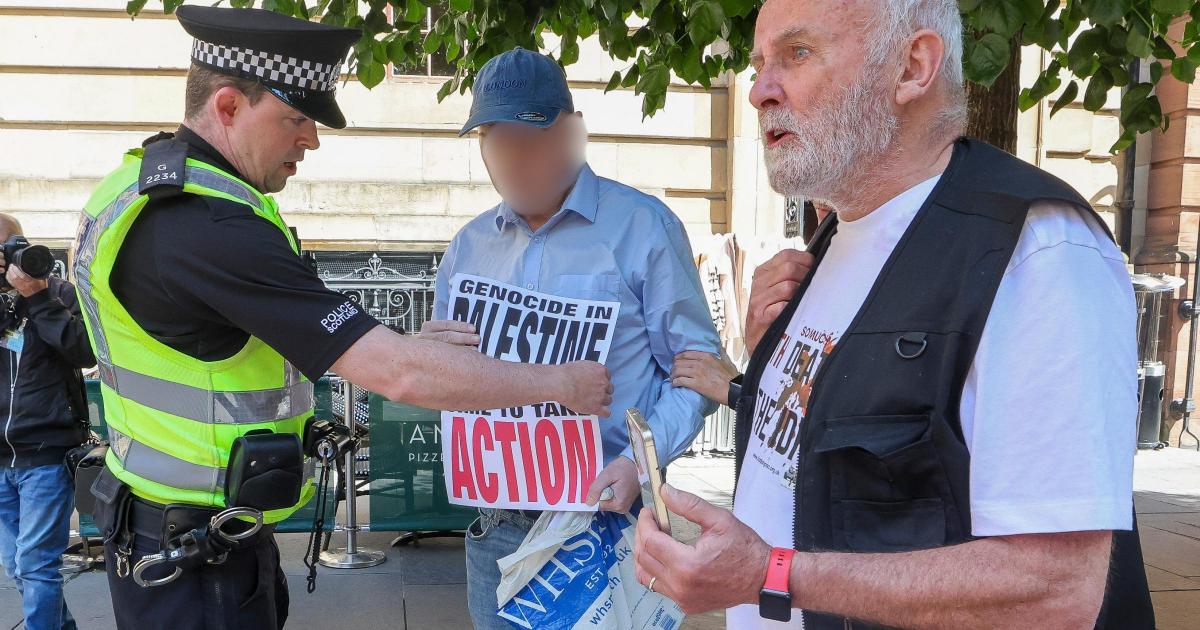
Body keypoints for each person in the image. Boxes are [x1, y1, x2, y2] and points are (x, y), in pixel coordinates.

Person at [73, 7, 611, 629]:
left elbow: (222, 338)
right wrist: (559, 386)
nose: (311, 139)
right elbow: (399, 377)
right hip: (196, 563)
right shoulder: (210, 226)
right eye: (296, 118)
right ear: (227, 106)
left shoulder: (137, 185)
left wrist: (399, 344)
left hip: (168, 531)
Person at [634, 1, 1154, 628]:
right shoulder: (837, 234)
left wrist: (771, 575)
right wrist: (763, 372)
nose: (760, 91)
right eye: (759, 62)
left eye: (797, 53)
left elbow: (1056, 588)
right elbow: (846, 456)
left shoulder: (1038, 253)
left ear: (913, 66)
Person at [419, 47, 721, 629]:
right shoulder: (469, 246)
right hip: (499, 528)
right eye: (497, 142)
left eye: (528, 141)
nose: (513, 160)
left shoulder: (645, 228)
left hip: (609, 522)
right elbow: (452, 381)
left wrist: (639, 463)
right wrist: (431, 357)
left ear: (567, 134)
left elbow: (698, 370)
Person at [0, 214, 93, 630]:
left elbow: (84, 351)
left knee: (37, 565)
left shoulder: (59, 294)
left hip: (46, 455)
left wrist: (35, 297)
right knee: (18, 567)